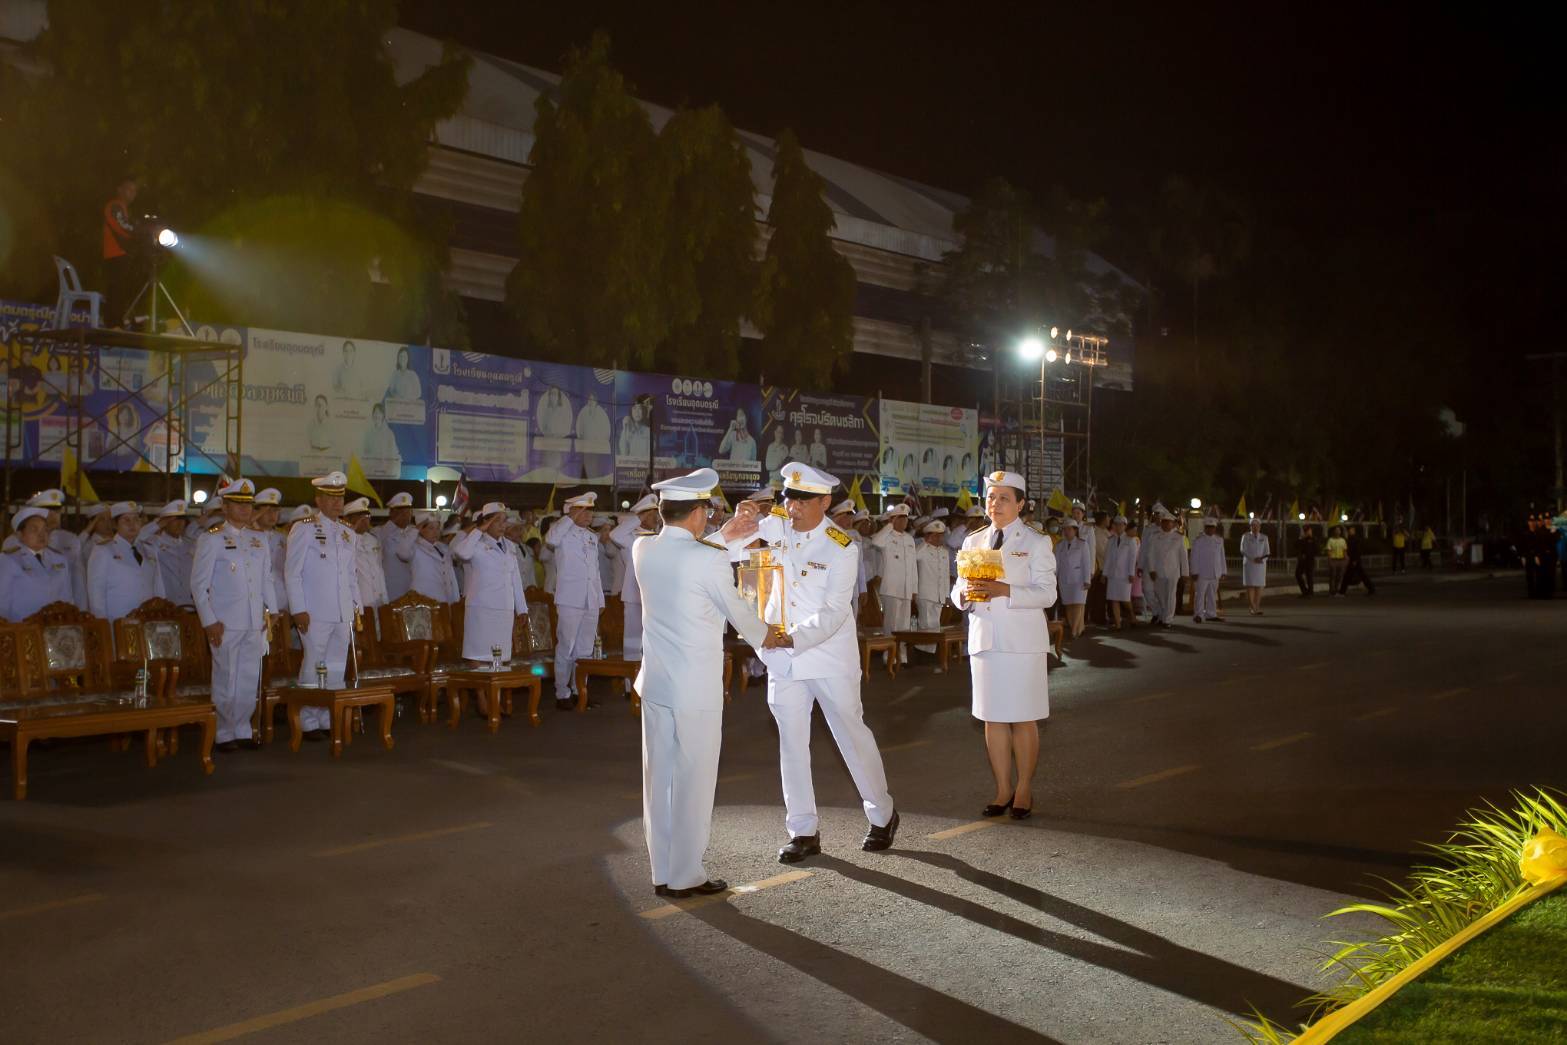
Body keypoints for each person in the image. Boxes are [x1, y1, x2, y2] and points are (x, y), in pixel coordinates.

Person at [726, 462, 899, 862]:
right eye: (789, 497)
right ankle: (803, 830)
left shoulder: (841, 546)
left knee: (850, 738)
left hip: (826, 658)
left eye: (804, 499)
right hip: (783, 660)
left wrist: (793, 638)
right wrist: (741, 520)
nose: (794, 505)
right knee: (791, 744)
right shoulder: (774, 528)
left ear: (824, 501)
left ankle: (882, 813)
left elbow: (835, 611)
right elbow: (733, 551)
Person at [635, 468, 777, 898]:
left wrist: (727, 533)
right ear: (698, 512)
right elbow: (740, 612)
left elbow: (693, 557)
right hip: (694, 688)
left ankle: (663, 870)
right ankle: (687, 875)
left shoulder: (643, 548)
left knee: (658, 780)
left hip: (656, 683)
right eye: (708, 511)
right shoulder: (707, 557)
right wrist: (775, 637)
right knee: (694, 782)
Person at [951, 470, 1056, 820]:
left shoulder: (1036, 542)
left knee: (1023, 718)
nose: (995, 504)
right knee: (992, 718)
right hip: (985, 639)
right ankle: (1002, 789)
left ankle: (1024, 787)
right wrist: (962, 596)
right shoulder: (973, 541)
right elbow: (958, 588)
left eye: (1004, 498)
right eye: (991, 497)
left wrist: (1007, 591)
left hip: (1022, 642)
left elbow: (1047, 593)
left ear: (1021, 504)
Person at [190, 479, 278, 752]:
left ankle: (242, 728)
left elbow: (266, 579)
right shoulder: (212, 538)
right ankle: (224, 733)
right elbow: (198, 584)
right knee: (226, 676)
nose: (244, 509)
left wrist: (272, 611)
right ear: (225, 506)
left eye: (247, 504)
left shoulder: (259, 538)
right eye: (237, 504)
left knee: (248, 677)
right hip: (225, 622)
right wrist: (209, 621)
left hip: (254, 620)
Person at [284, 471, 362, 740]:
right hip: (314, 610)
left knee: (337, 664)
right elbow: (292, 572)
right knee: (313, 662)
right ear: (319, 500)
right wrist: (297, 609)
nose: (337, 503)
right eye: (331, 497)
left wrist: (356, 606)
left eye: (340, 497)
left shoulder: (348, 533)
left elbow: (351, 574)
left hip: (341, 610)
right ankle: (307, 720)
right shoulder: (304, 528)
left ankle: (329, 717)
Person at [546, 492, 605, 710]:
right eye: (584, 510)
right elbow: (550, 539)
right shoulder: (561, 533)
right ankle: (562, 693)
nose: (589, 514)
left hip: (590, 598)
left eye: (590, 510)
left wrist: (599, 599)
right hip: (570, 598)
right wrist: (569, 518)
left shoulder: (591, 536)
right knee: (566, 647)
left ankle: (581, 690)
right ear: (572, 512)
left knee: (585, 649)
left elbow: (595, 571)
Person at [451, 502, 528, 667]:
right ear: (486, 522)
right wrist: (478, 530)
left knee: (500, 654)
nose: (502, 524)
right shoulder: (475, 544)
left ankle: (494, 691)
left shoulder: (510, 546)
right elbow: (461, 553)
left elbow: (515, 579)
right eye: (497, 520)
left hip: (504, 608)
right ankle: (483, 692)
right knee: (478, 653)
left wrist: (521, 608)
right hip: (482, 608)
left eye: (504, 520)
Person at [89, 502, 163, 623]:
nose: (132, 524)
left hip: (148, 620)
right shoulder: (103, 550)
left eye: (136, 520)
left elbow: (158, 586)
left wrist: (161, 613)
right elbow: (96, 594)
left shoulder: (148, 550)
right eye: (126, 520)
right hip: (117, 622)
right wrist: (102, 626)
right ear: (115, 525)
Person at [0, 506, 74, 620]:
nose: (41, 535)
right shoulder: (9, 560)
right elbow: (2, 602)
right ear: (20, 535)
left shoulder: (60, 559)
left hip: (55, 627)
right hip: (23, 629)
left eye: (45, 529)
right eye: (34, 529)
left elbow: (67, 597)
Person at [612, 495, 659, 663]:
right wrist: (638, 518)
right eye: (652, 515)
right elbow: (614, 535)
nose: (656, 518)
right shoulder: (629, 537)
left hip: (655, 597)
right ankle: (629, 684)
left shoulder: (656, 537)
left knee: (653, 642)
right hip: (634, 595)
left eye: (657, 514)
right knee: (633, 640)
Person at [870, 504, 917, 649]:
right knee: (891, 623)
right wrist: (889, 526)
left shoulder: (909, 539)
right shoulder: (886, 537)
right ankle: (888, 656)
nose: (904, 522)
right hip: (891, 588)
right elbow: (875, 542)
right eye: (900, 519)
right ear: (893, 520)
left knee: (904, 625)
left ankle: (901, 656)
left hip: (906, 588)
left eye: (906, 519)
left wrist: (914, 589)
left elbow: (913, 567)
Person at [1137, 504, 1186, 628]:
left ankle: (1166, 618)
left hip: (1170, 570)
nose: (1157, 517)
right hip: (1152, 566)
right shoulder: (1149, 530)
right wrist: (1140, 565)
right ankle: (1158, 612)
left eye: (1159, 515)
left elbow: (1183, 556)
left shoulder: (1177, 536)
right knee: (1149, 590)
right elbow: (1144, 549)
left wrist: (1185, 573)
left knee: (1169, 594)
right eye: (1155, 515)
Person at [137, 500, 194, 607]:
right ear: (165, 522)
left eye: (182, 520)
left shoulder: (191, 545)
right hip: (165, 606)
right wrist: (157, 524)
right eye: (174, 520)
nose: (179, 524)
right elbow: (136, 540)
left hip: (190, 605)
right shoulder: (153, 543)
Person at [102, 176, 139, 326]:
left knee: (120, 291)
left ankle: (119, 322)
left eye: (134, 191)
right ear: (119, 190)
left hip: (121, 255)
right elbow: (121, 227)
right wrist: (139, 232)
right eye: (129, 189)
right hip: (114, 255)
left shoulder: (123, 209)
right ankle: (113, 324)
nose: (132, 193)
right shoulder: (114, 206)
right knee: (116, 291)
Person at [342, 499, 389, 615]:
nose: (365, 520)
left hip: (377, 600)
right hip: (357, 601)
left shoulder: (373, 540)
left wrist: (385, 599)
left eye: (367, 516)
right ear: (348, 519)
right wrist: (351, 532)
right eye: (360, 517)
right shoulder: (342, 540)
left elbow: (379, 571)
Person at [404, 512, 459, 602]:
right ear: (421, 530)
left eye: (437, 528)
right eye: (431, 528)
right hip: (423, 599)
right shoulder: (414, 547)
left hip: (445, 599)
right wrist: (415, 530)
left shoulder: (443, 548)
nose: (435, 532)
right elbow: (402, 553)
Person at [914, 520, 951, 645]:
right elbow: (914, 556)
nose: (939, 538)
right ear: (928, 536)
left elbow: (945, 575)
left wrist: (946, 594)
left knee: (935, 624)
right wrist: (925, 542)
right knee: (926, 623)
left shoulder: (944, 552)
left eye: (940, 535)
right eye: (935, 535)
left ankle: (931, 651)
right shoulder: (922, 550)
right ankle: (922, 650)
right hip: (925, 593)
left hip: (939, 594)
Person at [252, 488, 289, 614]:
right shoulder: (246, 535)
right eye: (267, 511)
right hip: (255, 601)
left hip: (281, 600)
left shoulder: (283, 537)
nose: (272, 515)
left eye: (275, 511)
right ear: (256, 512)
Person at [1055, 517, 1093, 637]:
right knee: (1069, 605)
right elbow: (1056, 563)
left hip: (1079, 579)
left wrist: (1087, 579)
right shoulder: (1060, 545)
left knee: (1077, 604)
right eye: (1065, 529)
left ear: (1075, 530)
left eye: (1069, 529)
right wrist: (1053, 578)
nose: (1067, 532)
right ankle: (1074, 628)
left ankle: (1074, 631)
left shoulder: (1082, 544)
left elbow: (1087, 563)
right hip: (1064, 579)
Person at [1189, 516, 1226, 624]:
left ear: (1215, 528)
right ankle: (1198, 615)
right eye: (1208, 527)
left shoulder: (1219, 540)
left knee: (1212, 594)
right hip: (1202, 572)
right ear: (1205, 528)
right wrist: (1194, 571)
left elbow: (1222, 556)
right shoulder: (1199, 540)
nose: (1210, 529)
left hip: (1215, 572)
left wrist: (1223, 571)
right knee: (1200, 594)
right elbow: (1194, 557)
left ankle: (1211, 614)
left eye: (1212, 527)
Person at [1104, 515, 1137, 629]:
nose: (1118, 527)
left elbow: (1132, 558)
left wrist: (1131, 573)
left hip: (1125, 574)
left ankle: (1132, 615)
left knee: (1125, 599)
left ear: (1125, 526)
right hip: (1113, 574)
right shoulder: (1111, 540)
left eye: (1120, 525)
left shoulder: (1130, 540)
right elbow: (1107, 558)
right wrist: (1105, 573)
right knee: (1114, 598)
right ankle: (1118, 624)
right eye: (1116, 524)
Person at [1240, 518, 1271, 615]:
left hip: (1261, 565)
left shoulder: (1264, 537)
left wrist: (1262, 559)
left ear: (1260, 526)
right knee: (1250, 586)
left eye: (1257, 525)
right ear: (1250, 526)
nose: (1255, 527)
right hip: (1249, 564)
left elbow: (1267, 552)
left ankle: (1256, 606)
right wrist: (1252, 559)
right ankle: (1253, 607)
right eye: (1253, 525)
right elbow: (1243, 550)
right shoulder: (1245, 536)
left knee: (1259, 586)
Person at [1339, 525, 1376, 595]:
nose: (1349, 531)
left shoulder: (1356, 539)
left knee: (1352, 576)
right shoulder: (1349, 539)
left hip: (1355, 561)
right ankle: (1371, 589)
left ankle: (1342, 592)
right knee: (1357, 575)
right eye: (1348, 530)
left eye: (1350, 530)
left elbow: (1357, 550)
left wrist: (1355, 560)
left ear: (1353, 530)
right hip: (1352, 560)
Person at [618, 398, 652, 462]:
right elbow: (624, 453)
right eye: (634, 408)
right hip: (630, 467)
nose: (637, 412)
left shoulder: (648, 431)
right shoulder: (627, 429)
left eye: (639, 408)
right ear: (631, 411)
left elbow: (650, 454)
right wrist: (625, 428)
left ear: (643, 411)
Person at [1295, 526, 1319, 597]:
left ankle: (1310, 592)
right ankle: (1304, 591)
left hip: (1310, 560)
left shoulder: (1314, 539)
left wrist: (1308, 555)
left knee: (1309, 576)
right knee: (1298, 574)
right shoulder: (1302, 539)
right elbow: (1295, 545)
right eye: (1305, 531)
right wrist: (1301, 538)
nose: (1307, 532)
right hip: (1302, 561)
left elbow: (1317, 550)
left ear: (1311, 531)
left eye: (1308, 530)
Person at [1326, 526, 1349, 595]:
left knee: (1339, 576)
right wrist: (1329, 560)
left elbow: (1345, 551)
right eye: (1336, 530)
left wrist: (1346, 560)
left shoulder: (1343, 540)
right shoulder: (1330, 540)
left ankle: (1337, 590)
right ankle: (1331, 591)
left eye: (1339, 530)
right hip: (1333, 560)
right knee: (1332, 576)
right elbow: (1329, 551)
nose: (1338, 531)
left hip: (1341, 560)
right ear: (1334, 531)